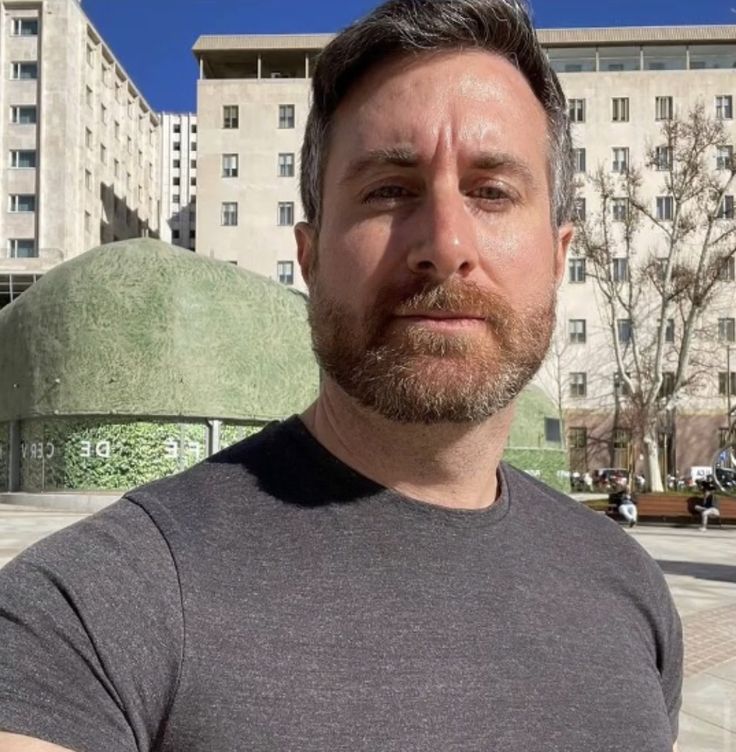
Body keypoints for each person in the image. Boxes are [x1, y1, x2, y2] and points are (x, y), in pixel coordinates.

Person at [0, 1, 682, 750]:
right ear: (311, 257)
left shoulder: (632, 592)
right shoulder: (99, 607)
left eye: (491, 191)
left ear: (559, 257)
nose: (445, 244)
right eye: (389, 189)